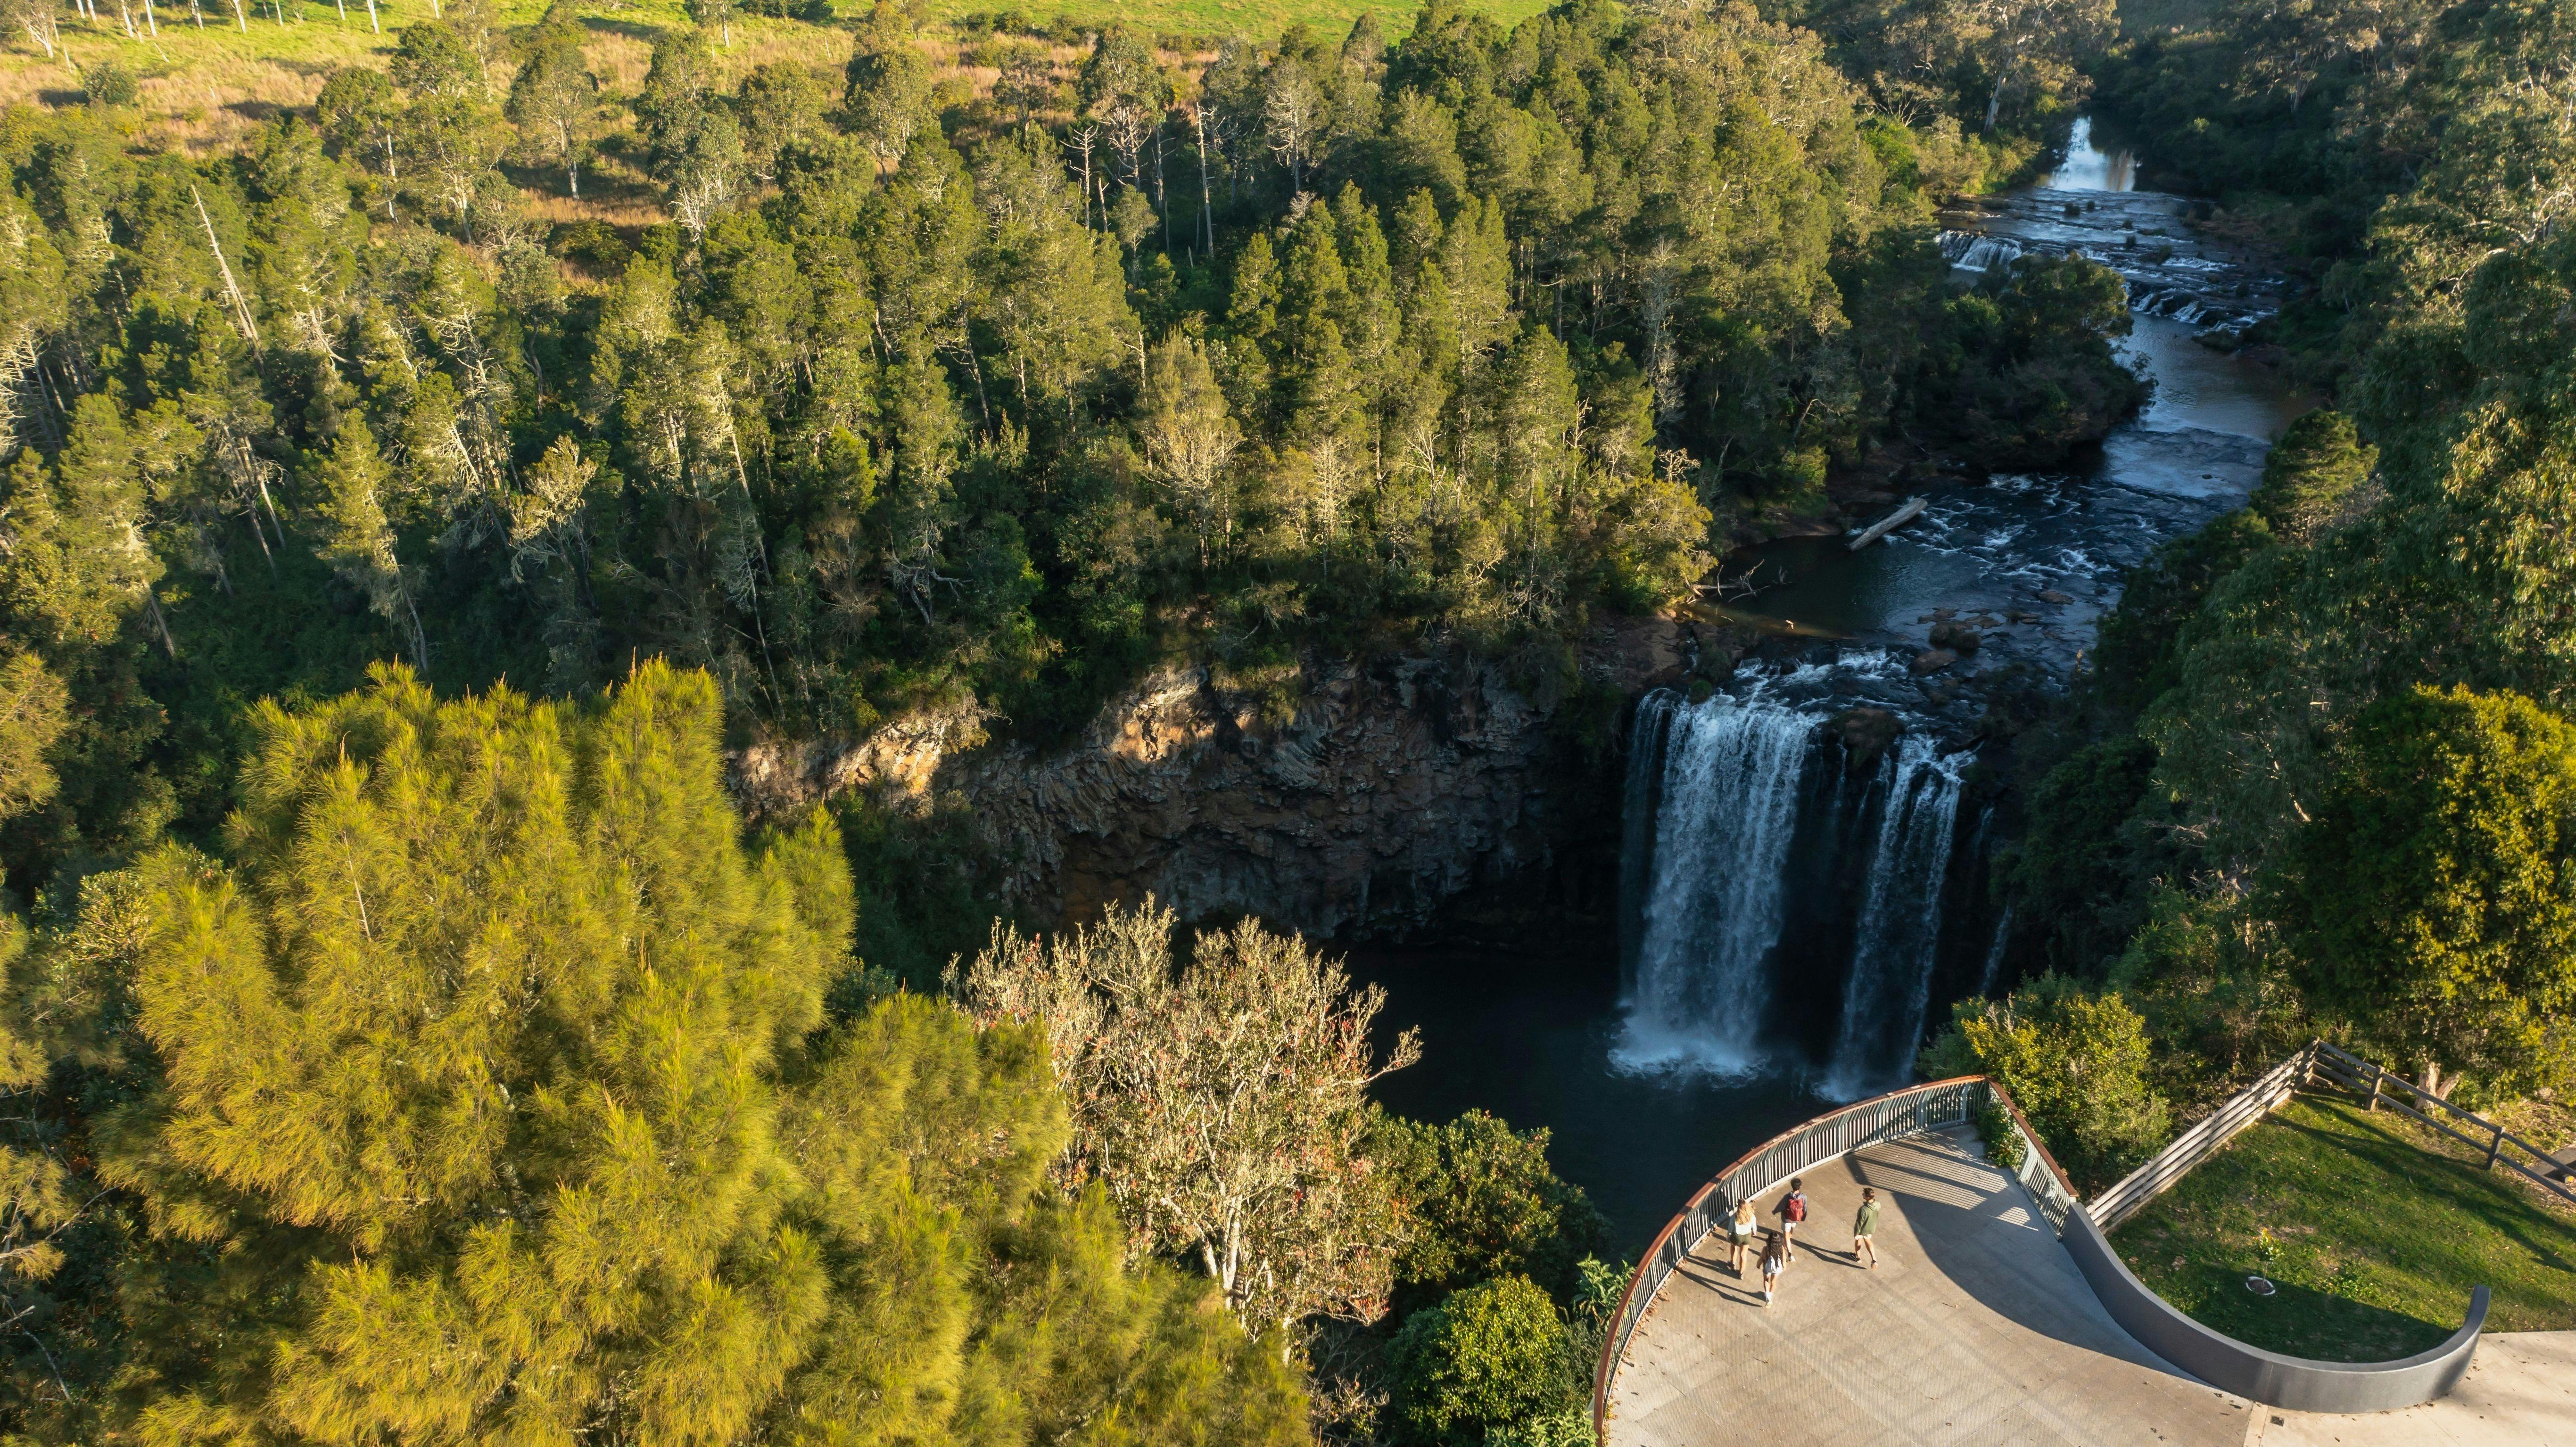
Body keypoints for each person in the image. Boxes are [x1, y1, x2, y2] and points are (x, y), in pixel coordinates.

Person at [1778, 1177, 1808, 1261]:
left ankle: (1790, 1255)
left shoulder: (1788, 1197)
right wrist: (1803, 1218)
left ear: (1792, 1186)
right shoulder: (1804, 1197)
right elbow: (1805, 1208)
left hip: (1787, 1219)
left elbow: (1782, 1207)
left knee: (1786, 1237)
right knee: (1791, 1231)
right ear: (1800, 1186)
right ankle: (1787, 1241)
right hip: (1796, 1218)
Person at [1853, 1187, 1883, 1270]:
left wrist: (1856, 1233)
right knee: (1867, 1240)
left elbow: (1860, 1222)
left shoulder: (1864, 1209)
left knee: (1859, 1240)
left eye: (1864, 1194)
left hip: (1863, 1228)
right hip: (1872, 1227)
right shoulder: (1878, 1204)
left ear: (1867, 1197)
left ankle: (1858, 1257)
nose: (1862, 1194)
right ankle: (1874, 1259)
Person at [1759, 1228, 1789, 1305]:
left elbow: (1762, 1258)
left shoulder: (1766, 1249)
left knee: (1766, 1280)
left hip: (1768, 1267)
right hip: (1778, 1268)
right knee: (1773, 1282)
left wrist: (1758, 1264)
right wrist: (1784, 1266)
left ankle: (1767, 1296)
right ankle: (1770, 1295)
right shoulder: (1781, 1248)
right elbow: (1784, 1258)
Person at [1728, 1197, 1758, 1273]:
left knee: (1733, 1247)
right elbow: (1754, 1227)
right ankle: (1741, 1273)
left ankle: (1733, 1264)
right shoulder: (1751, 1216)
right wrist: (1754, 1232)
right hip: (1747, 1237)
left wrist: (1729, 1237)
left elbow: (1730, 1229)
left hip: (1737, 1236)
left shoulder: (1735, 1217)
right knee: (1743, 1255)